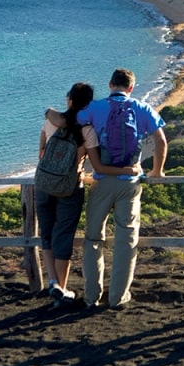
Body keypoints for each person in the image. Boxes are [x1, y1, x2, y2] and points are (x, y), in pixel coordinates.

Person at [50, 68, 167, 309]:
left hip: (102, 180)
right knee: (127, 240)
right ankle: (118, 298)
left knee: (93, 238)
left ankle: (92, 296)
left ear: (110, 85)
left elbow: (68, 121)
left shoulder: (95, 108)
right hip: (131, 181)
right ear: (131, 88)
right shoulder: (142, 108)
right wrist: (156, 171)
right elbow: (161, 141)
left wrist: (48, 112)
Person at [36, 82, 96, 307]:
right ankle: (61, 288)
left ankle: (53, 283)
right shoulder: (88, 129)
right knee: (64, 236)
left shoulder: (51, 121)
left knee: (47, 234)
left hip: (44, 183)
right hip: (69, 187)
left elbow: (42, 153)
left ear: (69, 99)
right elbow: (89, 159)